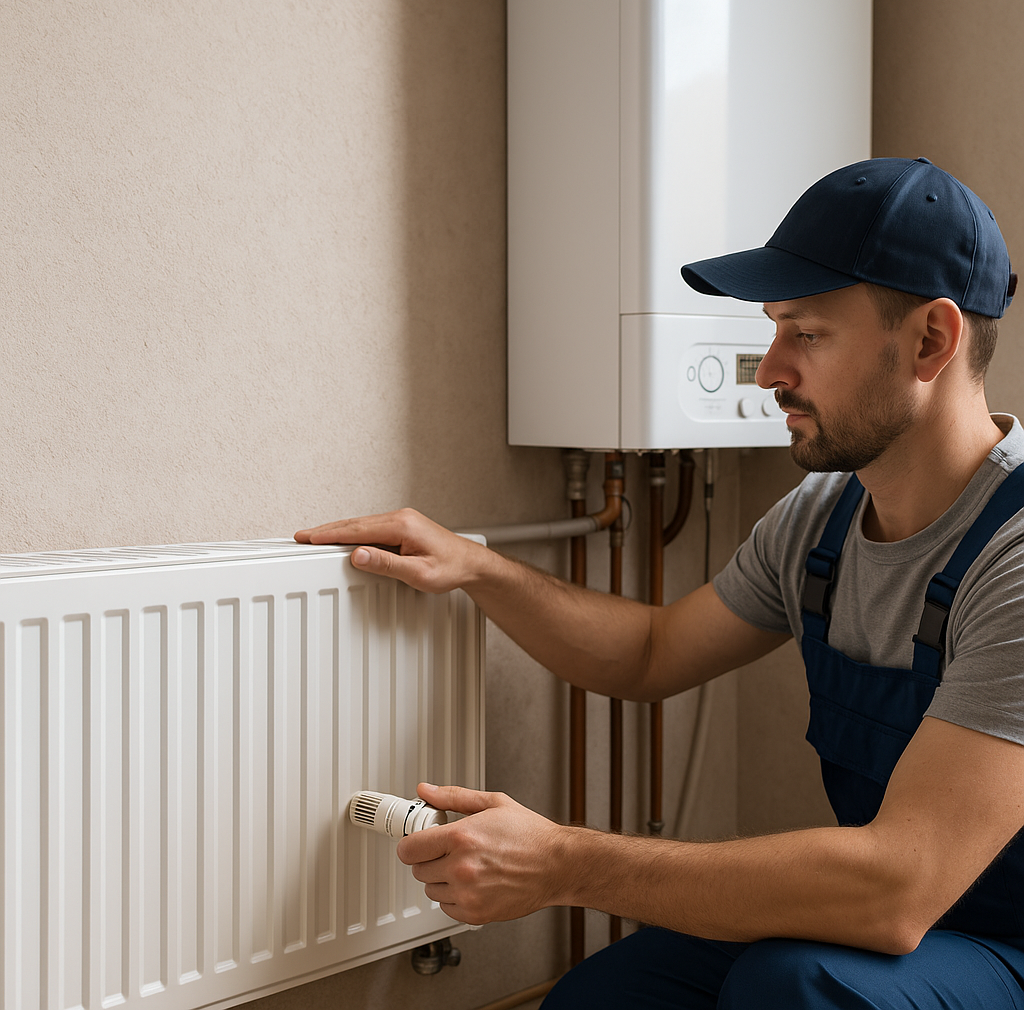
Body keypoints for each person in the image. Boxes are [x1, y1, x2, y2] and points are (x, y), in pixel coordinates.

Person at [295, 157, 1024, 1009]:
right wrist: (478, 569)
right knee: (603, 998)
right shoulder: (820, 522)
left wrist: (565, 862)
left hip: (993, 942)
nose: (769, 369)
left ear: (931, 341)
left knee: (794, 989)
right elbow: (650, 653)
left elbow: (900, 887)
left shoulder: (1012, 556)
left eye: (807, 333)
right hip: (898, 927)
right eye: (774, 329)